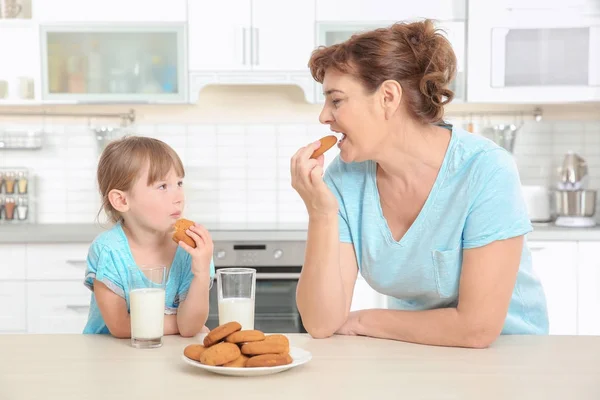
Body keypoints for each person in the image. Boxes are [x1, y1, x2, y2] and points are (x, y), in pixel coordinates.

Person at [291, 19, 549, 348]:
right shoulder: (345, 177)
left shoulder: (484, 169)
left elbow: (477, 328)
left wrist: (362, 320)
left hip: (512, 355)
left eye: (336, 100)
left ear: (387, 97)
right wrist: (320, 213)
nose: (324, 116)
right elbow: (321, 322)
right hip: (418, 350)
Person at [82, 136, 214, 337]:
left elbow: (190, 327)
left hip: (167, 356)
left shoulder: (191, 251)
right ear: (121, 200)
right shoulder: (109, 250)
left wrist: (202, 271)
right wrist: (179, 324)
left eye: (179, 183)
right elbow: (121, 327)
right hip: (110, 358)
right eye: (162, 186)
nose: (179, 197)